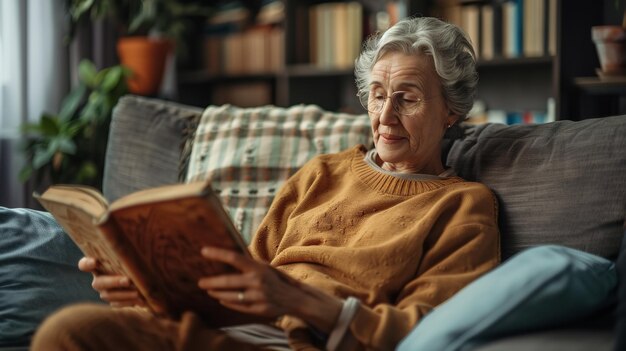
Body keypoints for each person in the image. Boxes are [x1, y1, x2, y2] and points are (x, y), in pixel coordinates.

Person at [31, 16, 500, 351]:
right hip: (229, 333)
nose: (386, 116)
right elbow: (242, 281)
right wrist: (150, 290)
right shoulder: (322, 173)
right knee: (72, 330)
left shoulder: (464, 207)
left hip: (299, 343)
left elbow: (429, 331)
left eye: (408, 98)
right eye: (377, 96)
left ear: (451, 111)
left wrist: (303, 302)